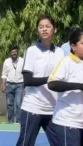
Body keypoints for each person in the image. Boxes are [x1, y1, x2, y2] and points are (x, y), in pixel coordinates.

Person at [16, 15, 64, 146]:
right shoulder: (31, 51)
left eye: (48, 26)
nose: (44, 29)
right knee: (25, 143)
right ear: (37, 30)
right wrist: (50, 79)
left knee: (61, 143)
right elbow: (28, 80)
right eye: (41, 27)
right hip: (32, 107)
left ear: (55, 29)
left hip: (53, 109)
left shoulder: (60, 52)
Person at [48, 29, 83, 146]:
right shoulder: (66, 62)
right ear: (73, 46)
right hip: (68, 122)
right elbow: (52, 83)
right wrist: (82, 86)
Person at [1, 45, 24, 123]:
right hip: (9, 85)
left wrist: (25, 87)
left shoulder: (22, 61)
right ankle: (10, 122)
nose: (14, 53)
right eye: (12, 52)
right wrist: (3, 85)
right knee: (9, 104)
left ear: (18, 52)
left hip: (20, 85)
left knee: (18, 104)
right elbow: (4, 74)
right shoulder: (6, 61)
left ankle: (18, 122)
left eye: (15, 52)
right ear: (10, 53)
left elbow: (25, 74)